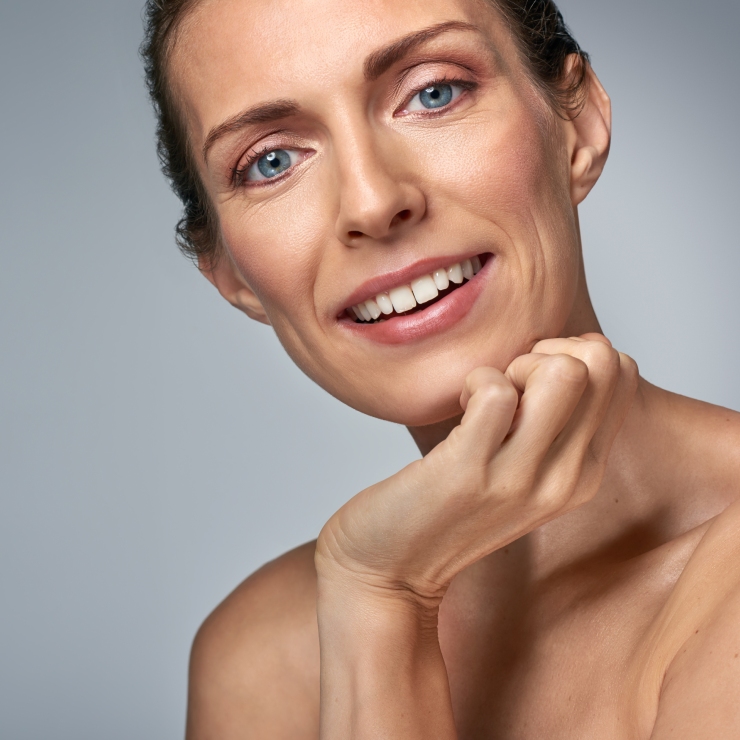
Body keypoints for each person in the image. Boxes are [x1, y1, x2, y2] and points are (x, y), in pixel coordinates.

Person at [141, 0, 740, 736]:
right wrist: (379, 596)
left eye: (434, 92)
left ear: (575, 125)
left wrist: (383, 589)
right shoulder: (265, 656)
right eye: (272, 161)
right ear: (229, 273)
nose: (373, 200)